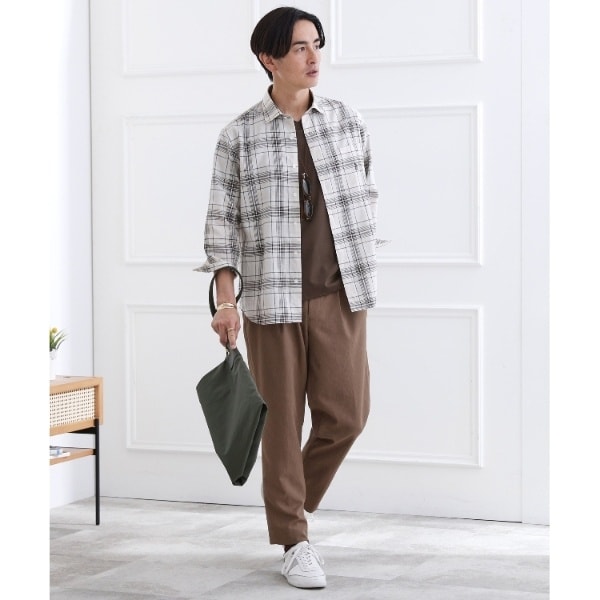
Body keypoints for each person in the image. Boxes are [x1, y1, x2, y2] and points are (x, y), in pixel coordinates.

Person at [197, 6, 382, 590]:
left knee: (347, 415)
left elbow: (367, 195)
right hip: (273, 300)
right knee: (280, 425)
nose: (313, 57)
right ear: (269, 58)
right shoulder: (238, 136)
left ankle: (288, 505)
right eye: (300, 47)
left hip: (340, 294)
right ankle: (294, 540)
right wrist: (226, 302)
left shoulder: (347, 121)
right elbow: (222, 226)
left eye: (316, 44)